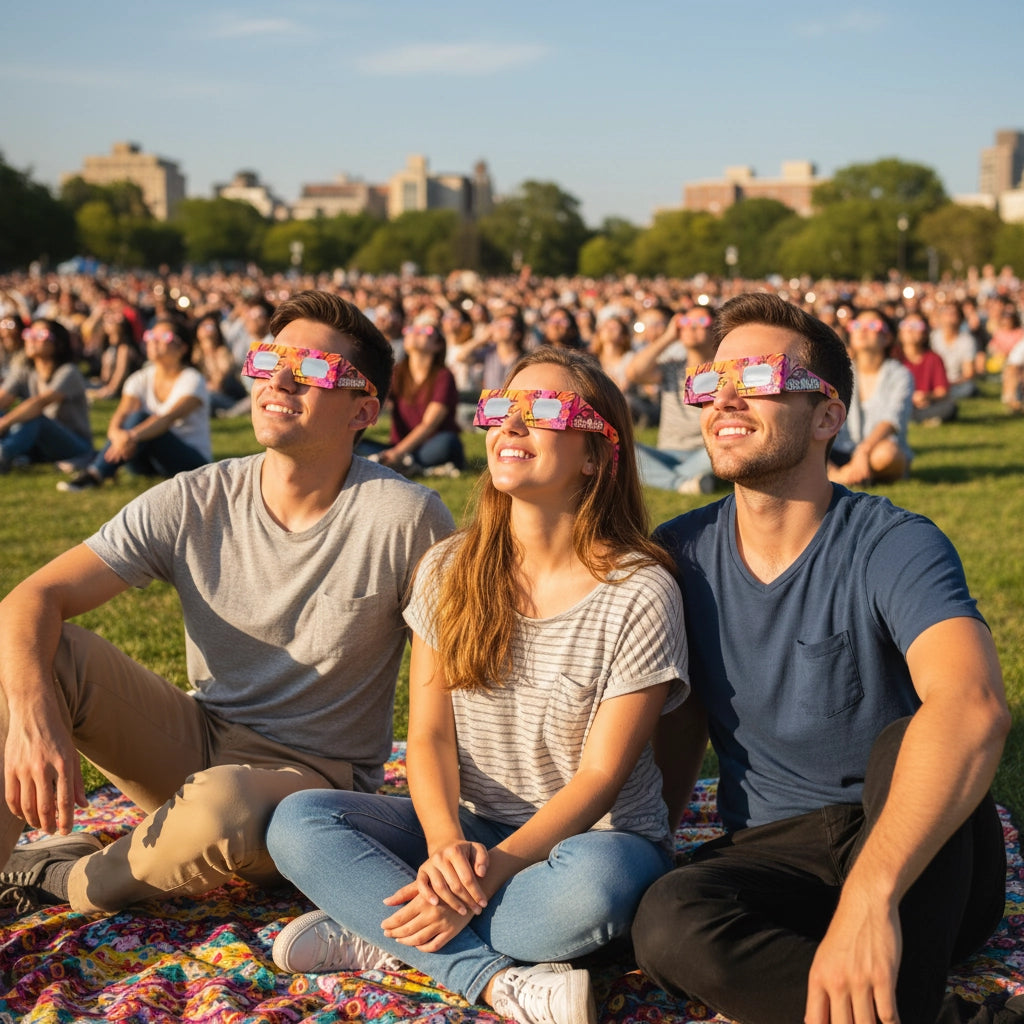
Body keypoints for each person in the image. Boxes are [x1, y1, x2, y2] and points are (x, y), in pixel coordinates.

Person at [267, 347, 688, 1024]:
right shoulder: (448, 567)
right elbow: (429, 736)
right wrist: (443, 849)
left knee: (595, 892)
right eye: (501, 409)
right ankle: (485, 974)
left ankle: (385, 928)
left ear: (595, 454)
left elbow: (601, 776)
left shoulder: (640, 590)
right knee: (300, 821)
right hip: (467, 829)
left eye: (543, 411)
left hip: (593, 841)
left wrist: (487, 875)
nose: (510, 426)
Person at [0, 290, 454, 918]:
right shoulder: (196, 497)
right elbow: (32, 597)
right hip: (197, 743)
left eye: (315, 370)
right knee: (42, 656)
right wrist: (32, 712)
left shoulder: (408, 517)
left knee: (222, 805)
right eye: (270, 360)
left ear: (363, 411)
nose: (281, 381)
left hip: (313, 788)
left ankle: (60, 877)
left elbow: (454, 688)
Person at [631, 292, 1009, 1024]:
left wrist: (871, 897)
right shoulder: (679, 555)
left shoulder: (893, 541)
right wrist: (653, 839)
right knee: (667, 921)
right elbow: (677, 720)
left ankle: (868, 960)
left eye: (762, 378)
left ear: (828, 419)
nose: (727, 398)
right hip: (777, 853)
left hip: (918, 847)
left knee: (911, 736)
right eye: (712, 383)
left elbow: (975, 706)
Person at [57, 318, 212, 492]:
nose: (154, 341)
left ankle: (95, 474)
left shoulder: (192, 379)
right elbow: (123, 413)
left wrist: (131, 436)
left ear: (183, 348)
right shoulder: (140, 378)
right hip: (144, 459)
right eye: (151, 335)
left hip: (189, 461)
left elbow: (167, 419)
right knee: (134, 417)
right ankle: (99, 469)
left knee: (141, 418)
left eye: (164, 337)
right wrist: (116, 433)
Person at [357, 318, 465, 477]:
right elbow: (377, 401)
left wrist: (397, 453)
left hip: (430, 445)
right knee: (356, 445)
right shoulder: (397, 372)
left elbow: (429, 424)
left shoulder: (443, 376)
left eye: (424, 331)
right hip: (399, 446)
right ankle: (408, 466)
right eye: (411, 330)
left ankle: (394, 464)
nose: (415, 334)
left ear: (438, 345)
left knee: (448, 442)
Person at [626, 306, 716, 494]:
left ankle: (663, 477)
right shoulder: (672, 368)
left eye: (700, 322)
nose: (691, 327)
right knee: (618, 448)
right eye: (685, 323)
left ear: (716, 329)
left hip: (706, 451)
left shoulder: (724, 372)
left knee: (724, 451)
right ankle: (682, 482)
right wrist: (667, 337)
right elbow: (634, 372)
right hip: (667, 451)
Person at [828, 309, 913, 486]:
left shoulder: (900, 374)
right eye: (857, 325)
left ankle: (841, 476)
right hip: (837, 449)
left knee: (889, 454)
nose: (862, 330)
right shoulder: (837, 373)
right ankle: (843, 475)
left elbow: (892, 420)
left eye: (872, 325)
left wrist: (863, 451)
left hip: (875, 449)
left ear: (887, 338)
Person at [0, 319, 93, 473]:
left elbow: (39, 404)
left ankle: (4, 454)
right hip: (38, 442)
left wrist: (3, 423)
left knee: (34, 416)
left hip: (74, 445)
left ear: (59, 343)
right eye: (29, 333)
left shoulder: (69, 372)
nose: (31, 339)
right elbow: (3, 399)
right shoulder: (24, 370)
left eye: (41, 335)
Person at [897, 313, 957, 425]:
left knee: (949, 407)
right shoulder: (894, 358)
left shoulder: (934, 358)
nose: (910, 330)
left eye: (916, 326)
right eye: (906, 325)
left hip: (925, 405)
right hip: (899, 404)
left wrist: (926, 396)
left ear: (925, 333)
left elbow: (942, 391)